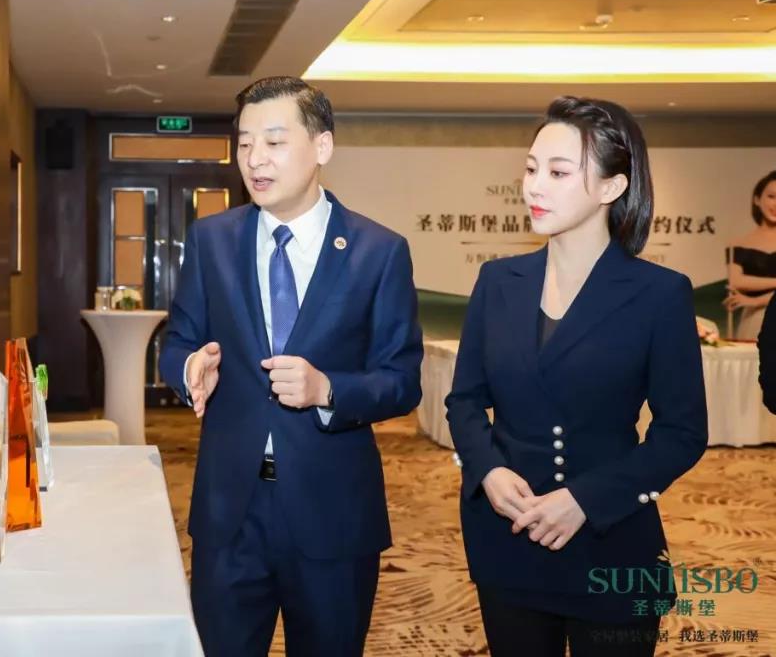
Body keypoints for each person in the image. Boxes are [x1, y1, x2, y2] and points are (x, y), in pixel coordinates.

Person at [159, 76, 423, 657]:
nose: (255, 159)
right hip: (231, 513)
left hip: (333, 514)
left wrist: (328, 389)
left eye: (275, 142)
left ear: (321, 146)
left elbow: (402, 381)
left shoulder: (378, 252)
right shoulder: (211, 240)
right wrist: (189, 367)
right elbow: (177, 343)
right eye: (245, 143)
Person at [446, 96, 708, 657]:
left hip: (610, 542)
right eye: (531, 169)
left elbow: (681, 433)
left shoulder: (659, 294)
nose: (534, 187)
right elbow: (464, 400)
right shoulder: (498, 282)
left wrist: (585, 500)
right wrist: (488, 470)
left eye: (559, 173)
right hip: (509, 538)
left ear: (612, 187)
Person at [725, 171, 776, 339]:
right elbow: (736, 281)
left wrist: (756, 301)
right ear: (757, 199)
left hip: (755, 306)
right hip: (753, 319)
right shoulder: (738, 243)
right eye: (771, 196)